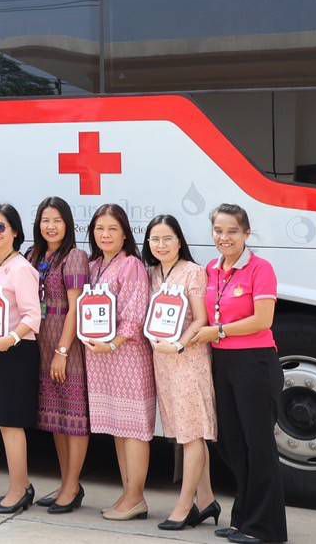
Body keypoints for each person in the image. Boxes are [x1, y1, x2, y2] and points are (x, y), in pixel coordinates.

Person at [187, 204, 284, 544]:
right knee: (232, 444)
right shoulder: (211, 269)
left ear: (246, 233)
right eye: (218, 231)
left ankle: (266, 528)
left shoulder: (260, 268)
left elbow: (262, 320)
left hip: (255, 363)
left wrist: (219, 332)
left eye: (231, 231)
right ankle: (243, 519)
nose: (224, 238)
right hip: (223, 363)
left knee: (258, 445)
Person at [143, 214, 219, 531]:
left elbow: (201, 319)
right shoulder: (151, 273)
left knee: (192, 433)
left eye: (167, 239)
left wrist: (179, 345)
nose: (161, 245)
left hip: (188, 359)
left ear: (179, 241)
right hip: (162, 362)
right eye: (155, 239)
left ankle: (185, 506)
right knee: (186, 432)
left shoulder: (193, 272)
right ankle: (207, 499)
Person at [83, 203, 155, 521]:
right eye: (100, 229)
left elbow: (135, 314)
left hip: (126, 356)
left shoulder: (131, 265)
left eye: (112, 229)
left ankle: (136, 496)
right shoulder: (94, 265)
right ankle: (128, 493)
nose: (106, 234)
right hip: (100, 357)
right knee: (118, 427)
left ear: (125, 233)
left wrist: (113, 343)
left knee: (134, 427)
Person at [29, 196, 90, 513]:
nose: (50, 226)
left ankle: (72, 485)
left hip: (66, 342)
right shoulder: (35, 255)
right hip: (40, 341)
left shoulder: (75, 257)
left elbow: (75, 308)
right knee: (55, 417)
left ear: (68, 224)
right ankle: (67, 482)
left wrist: (62, 351)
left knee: (73, 417)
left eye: (57, 220)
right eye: (45, 220)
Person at [0, 203, 42, 515]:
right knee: (3, 422)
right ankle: (21, 485)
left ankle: (18, 491)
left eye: (1, 227)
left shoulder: (21, 268)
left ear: (15, 231)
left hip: (17, 352)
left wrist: (12, 338)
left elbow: (33, 315)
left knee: (12, 423)